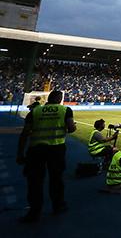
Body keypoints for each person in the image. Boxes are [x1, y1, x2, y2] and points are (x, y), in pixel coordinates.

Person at [16, 90, 76, 223]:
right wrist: (70, 127)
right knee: (56, 179)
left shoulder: (36, 111)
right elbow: (71, 128)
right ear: (60, 98)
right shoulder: (65, 110)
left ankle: (34, 212)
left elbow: (25, 133)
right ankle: (57, 206)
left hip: (36, 150)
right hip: (56, 149)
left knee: (35, 182)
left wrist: (20, 153)